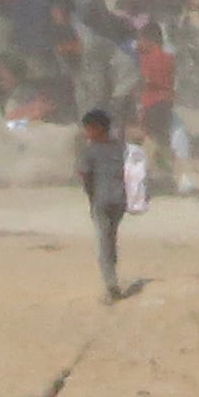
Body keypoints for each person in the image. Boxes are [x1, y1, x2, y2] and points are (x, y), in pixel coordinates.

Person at [75, 105, 134, 300]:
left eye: (88, 128)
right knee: (111, 238)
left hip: (101, 200)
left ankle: (111, 284)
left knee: (104, 242)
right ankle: (112, 278)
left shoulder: (90, 151)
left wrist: (91, 197)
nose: (86, 132)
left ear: (98, 128)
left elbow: (85, 175)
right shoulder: (121, 148)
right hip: (120, 200)